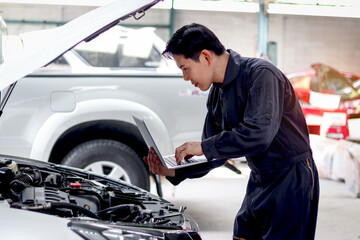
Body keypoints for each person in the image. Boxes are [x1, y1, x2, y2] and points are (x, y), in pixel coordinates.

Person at [144, 23, 319, 240]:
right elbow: (214, 153)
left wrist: (204, 147)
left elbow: (259, 134)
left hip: (290, 178)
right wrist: (172, 171)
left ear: (206, 57)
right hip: (260, 178)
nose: (185, 78)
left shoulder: (262, 75)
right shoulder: (217, 94)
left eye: (185, 68)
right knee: (244, 233)